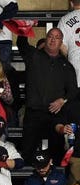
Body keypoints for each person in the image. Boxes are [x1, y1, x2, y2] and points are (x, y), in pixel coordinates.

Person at [18, 28, 78, 165]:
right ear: (46, 38)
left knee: (56, 155)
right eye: (50, 36)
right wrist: (25, 29)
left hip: (54, 116)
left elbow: (73, 90)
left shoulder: (66, 66)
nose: (53, 39)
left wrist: (63, 100)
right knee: (27, 154)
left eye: (57, 37)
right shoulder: (34, 56)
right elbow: (21, 44)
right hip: (33, 113)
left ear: (61, 42)